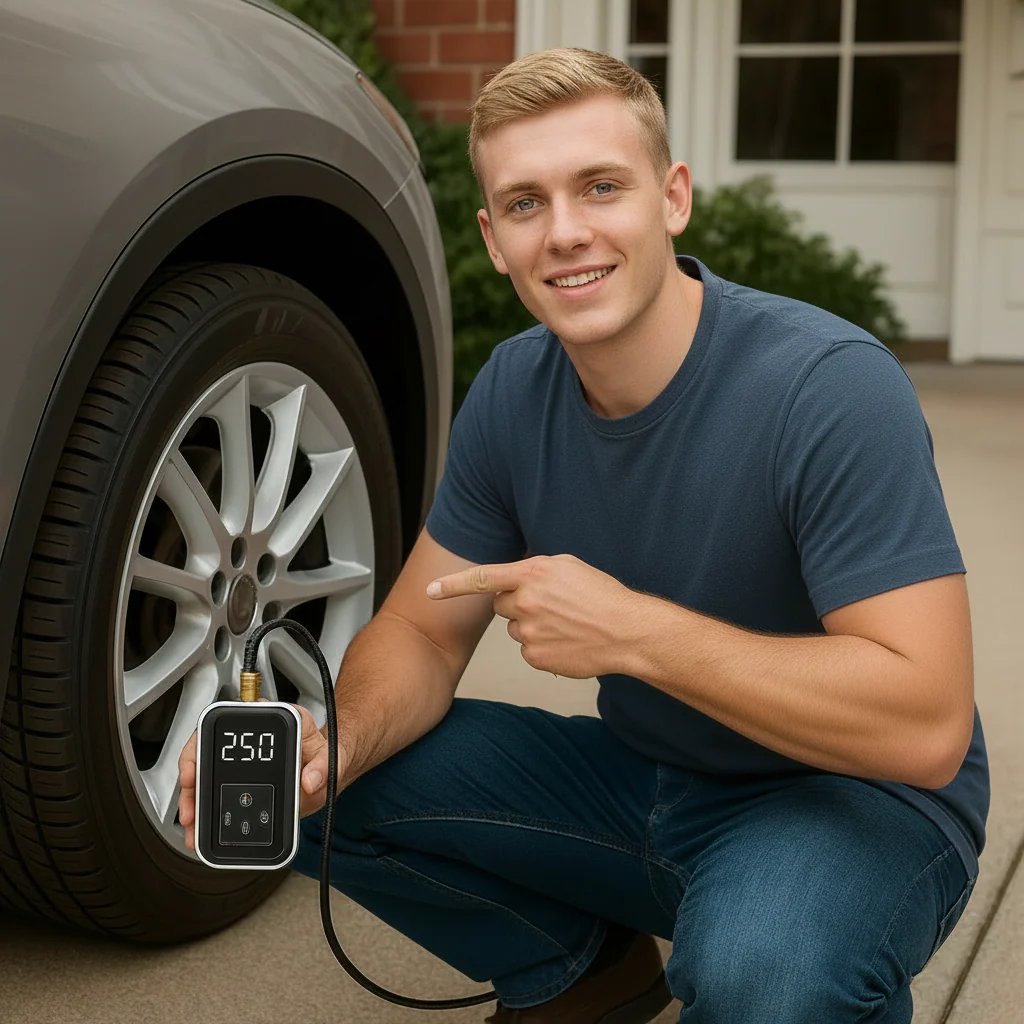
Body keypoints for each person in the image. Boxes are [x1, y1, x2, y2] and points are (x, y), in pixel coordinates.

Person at [178, 47, 989, 1023]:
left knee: (765, 973)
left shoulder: (827, 389)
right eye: (526, 203)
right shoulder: (515, 391)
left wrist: (634, 632)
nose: (565, 232)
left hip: (851, 797)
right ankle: (583, 972)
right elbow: (423, 633)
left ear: (672, 198)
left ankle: (787, 942)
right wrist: (331, 747)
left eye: (600, 187)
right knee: (304, 790)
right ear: (493, 238)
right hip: (646, 783)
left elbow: (925, 726)